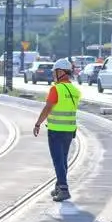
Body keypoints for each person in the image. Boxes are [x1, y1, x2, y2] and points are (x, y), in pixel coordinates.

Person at [32, 58, 81, 201]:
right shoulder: (75, 90)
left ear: (61, 72)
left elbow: (48, 108)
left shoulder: (56, 89)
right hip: (69, 130)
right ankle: (59, 186)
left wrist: (38, 123)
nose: (53, 75)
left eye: (55, 72)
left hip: (56, 131)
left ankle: (64, 189)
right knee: (63, 159)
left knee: (58, 160)